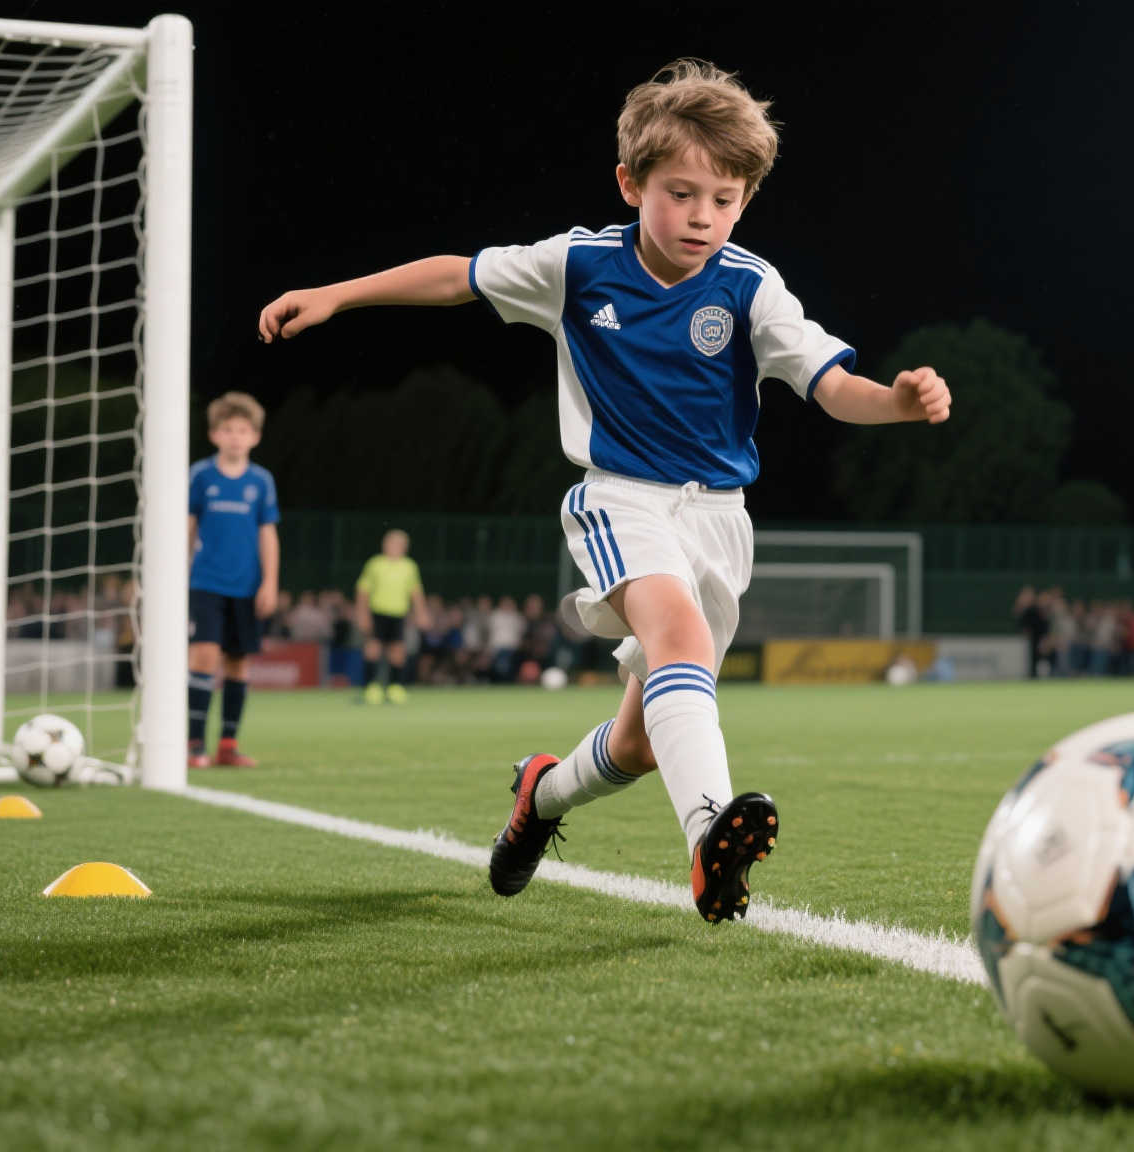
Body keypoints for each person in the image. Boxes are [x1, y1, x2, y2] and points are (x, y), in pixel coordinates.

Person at [260, 60, 950, 921]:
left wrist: (895, 401)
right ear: (630, 183)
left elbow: (828, 383)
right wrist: (337, 295)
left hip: (719, 524)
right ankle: (709, 842)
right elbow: (458, 273)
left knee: (638, 744)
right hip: (620, 499)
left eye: (724, 198)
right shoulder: (578, 265)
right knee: (679, 633)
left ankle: (538, 799)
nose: (702, 216)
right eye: (681, 191)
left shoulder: (750, 286)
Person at [185, 392, 279, 769]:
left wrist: (270, 581)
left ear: (255, 436)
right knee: (204, 655)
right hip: (206, 582)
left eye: (243, 430)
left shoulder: (261, 481)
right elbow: (188, 527)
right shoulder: (201, 475)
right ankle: (194, 746)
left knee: (238, 663)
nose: (236, 437)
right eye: (228, 429)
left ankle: (228, 744)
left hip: (247, 585)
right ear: (214, 435)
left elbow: (267, 533)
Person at [355, 529, 433, 704]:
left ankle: (395, 688)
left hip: (398, 613)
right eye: (390, 543)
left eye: (398, 544)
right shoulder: (375, 564)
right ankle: (371, 688)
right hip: (378, 612)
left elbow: (415, 592)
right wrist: (362, 614)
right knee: (373, 649)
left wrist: (422, 613)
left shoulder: (409, 566)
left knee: (397, 651)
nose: (393, 547)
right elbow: (363, 590)